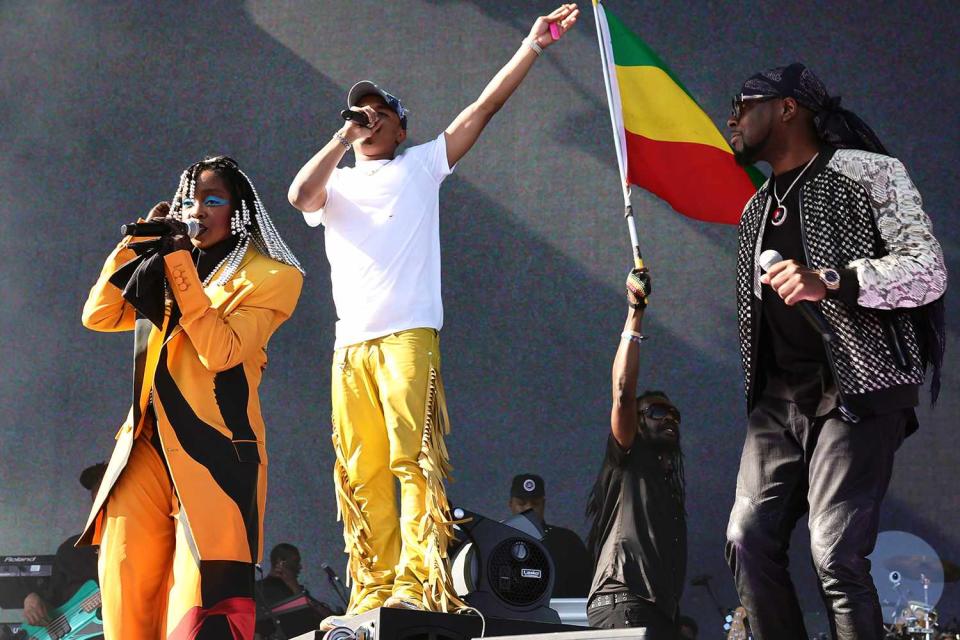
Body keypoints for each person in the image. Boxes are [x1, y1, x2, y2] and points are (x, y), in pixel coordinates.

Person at [287, 4, 579, 624]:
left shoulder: (420, 165)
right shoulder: (335, 182)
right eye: (359, 111)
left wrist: (532, 46)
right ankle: (373, 586)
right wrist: (342, 136)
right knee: (360, 470)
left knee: (412, 458)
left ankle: (418, 581)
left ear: (399, 126)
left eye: (379, 112)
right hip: (351, 345)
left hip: (406, 337)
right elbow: (298, 196)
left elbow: (482, 110)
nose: (367, 119)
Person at [724, 63, 947, 639]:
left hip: (859, 384)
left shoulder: (867, 172)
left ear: (788, 107)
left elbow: (929, 270)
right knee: (746, 541)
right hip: (778, 401)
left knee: (833, 553)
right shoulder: (754, 211)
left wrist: (832, 279)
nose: (732, 118)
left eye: (743, 103)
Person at [79, 156, 304, 639]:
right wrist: (133, 246)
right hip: (144, 449)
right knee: (125, 590)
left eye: (213, 200)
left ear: (237, 212)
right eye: (191, 200)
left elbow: (220, 351)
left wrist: (179, 264)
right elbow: (98, 315)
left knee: (199, 605)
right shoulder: (159, 267)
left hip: (217, 457)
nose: (197, 210)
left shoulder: (272, 277)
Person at [585, 269, 687, 637]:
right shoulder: (629, 456)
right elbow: (624, 392)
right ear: (639, 422)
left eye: (674, 414)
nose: (670, 418)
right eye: (658, 412)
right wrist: (635, 314)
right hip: (624, 600)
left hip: (654, 607)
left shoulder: (665, 479)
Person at [21, 463, 106, 630]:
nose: (100, 497)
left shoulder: (153, 547)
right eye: (97, 491)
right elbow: (53, 597)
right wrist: (31, 598)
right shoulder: (72, 549)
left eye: (109, 490)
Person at [507, 473, 592, 598]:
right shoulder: (495, 541)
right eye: (522, 503)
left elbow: (584, 591)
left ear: (543, 504)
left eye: (535, 503)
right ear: (511, 504)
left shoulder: (567, 542)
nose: (529, 509)